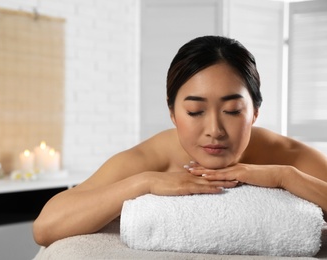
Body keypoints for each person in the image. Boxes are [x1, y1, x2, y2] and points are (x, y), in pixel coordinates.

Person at [33, 35, 327, 247]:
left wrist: (283, 176)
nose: (214, 129)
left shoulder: (286, 156)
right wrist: (143, 183)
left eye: (232, 111)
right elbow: (46, 227)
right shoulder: (152, 157)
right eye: (195, 111)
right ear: (173, 113)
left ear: (255, 113)